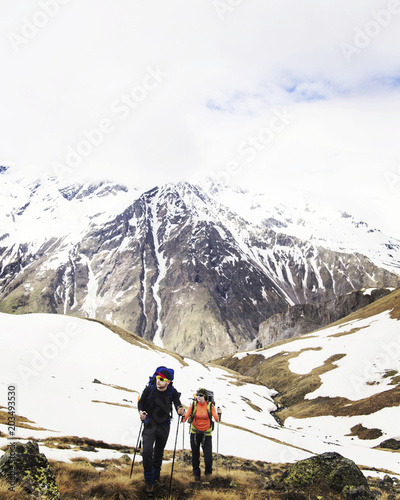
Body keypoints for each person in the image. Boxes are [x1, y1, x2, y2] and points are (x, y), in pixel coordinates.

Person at [138, 368, 185, 496]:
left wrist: (181, 410)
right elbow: (141, 402)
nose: (158, 382)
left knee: (158, 453)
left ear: (168, 382)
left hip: (164, 426)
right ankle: (149, 482)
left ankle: (156, 477)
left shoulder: (172, 392)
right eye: (158, 379)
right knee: (147, 451)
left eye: (162, 380)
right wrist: (141, 412)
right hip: (149, 424)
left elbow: (177, 404)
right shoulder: (150, 388)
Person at [184, 388, 222, 480]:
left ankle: (208, 475)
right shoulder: (193, 405)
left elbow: (217, 420)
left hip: (206, 434)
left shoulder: (210, 406)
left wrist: (219, 414)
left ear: (204, 396)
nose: (198, 397)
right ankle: (196, 475)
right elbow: (184, 419)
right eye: (197, 395)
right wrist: (182, 414)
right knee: (195, 456)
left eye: (200, 395)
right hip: (194, 434)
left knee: (208, 457)